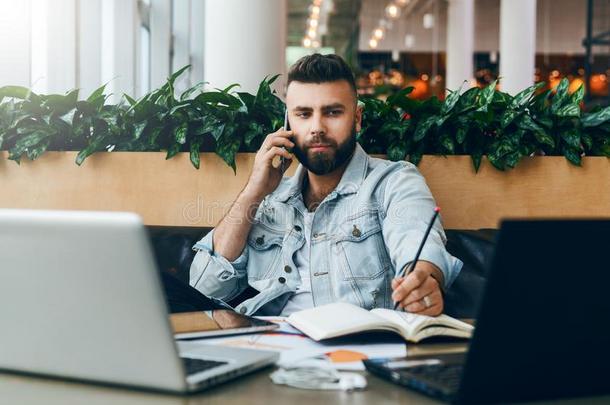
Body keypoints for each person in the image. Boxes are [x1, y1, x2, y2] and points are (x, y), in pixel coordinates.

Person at [190, 54, 462, 317]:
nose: (317, 127)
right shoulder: (269, 200)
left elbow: (417, 244)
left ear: (356, 119)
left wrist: (423, 281)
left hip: (359, 352)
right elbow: (204, 287)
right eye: (303, 114)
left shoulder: (394, 182)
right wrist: (254, 191)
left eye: (332, 112)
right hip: (271, 348)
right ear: (288, 123)